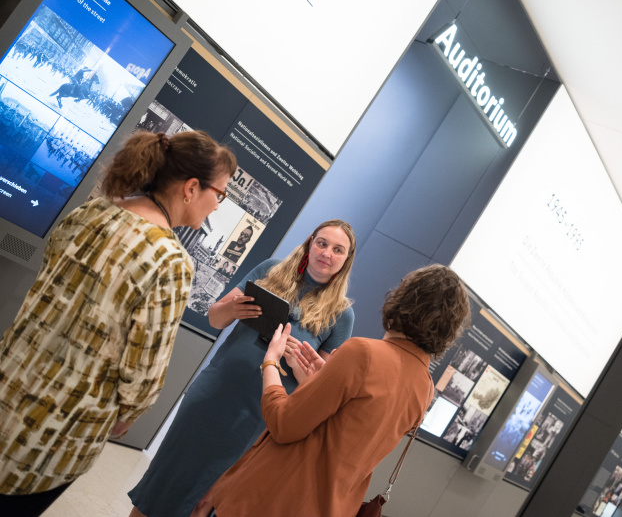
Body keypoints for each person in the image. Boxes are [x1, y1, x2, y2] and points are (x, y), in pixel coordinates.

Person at [0, 130, 237, 516]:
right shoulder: (171, 262)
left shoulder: (93, 211)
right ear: (191, 188)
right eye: (220, 194)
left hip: (10, 382)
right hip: (57, 430)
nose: (217, 206)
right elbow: (144, 366)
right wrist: (129, 415)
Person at [128, 219, 357, 517]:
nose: (327, 253)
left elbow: (315, 386)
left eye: (338, 249)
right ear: (310, 244)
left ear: (346, 259)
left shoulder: (342, 314)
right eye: (322, 243)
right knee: (162, 483)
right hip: (214, 394)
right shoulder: (271, 269)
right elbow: (215, 318)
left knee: (205, 502)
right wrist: (232, 309)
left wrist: (293, 360)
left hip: (259, 419)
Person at [206, 264, 471, 516]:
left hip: (273, 501)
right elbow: (348, 434)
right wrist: (320, 381)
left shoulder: (363, 353)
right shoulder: (424, 387)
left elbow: (283, 424)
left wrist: (270, 363)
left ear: (403, 300)